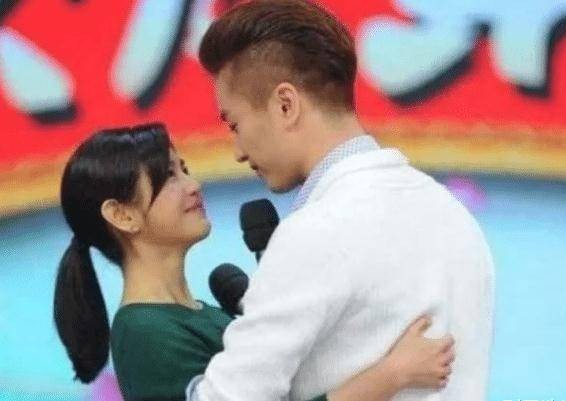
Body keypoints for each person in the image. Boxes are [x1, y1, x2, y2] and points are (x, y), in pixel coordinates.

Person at [187, 0, 495, 400]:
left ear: (285, 105)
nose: (238, 151)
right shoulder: (455, 218)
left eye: (235, 124)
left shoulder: (316, 231)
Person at [53, 124, 455, 401]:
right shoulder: (144, 332)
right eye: (168, 176)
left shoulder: (203, 314)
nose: (192, 185)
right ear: (121, 214)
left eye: (185, 169)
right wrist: (393, 374)